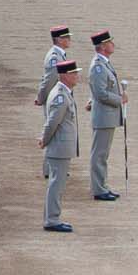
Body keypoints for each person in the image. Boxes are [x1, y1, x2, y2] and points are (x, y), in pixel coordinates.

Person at [40, 60, 80, 233]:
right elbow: (52, 123)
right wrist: (45, 140)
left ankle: (52, 217)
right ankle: (52, 219)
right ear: (64, 75)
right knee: (56, 184)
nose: (77, 76)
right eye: (74, 73)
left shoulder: (64, 92)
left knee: (57, 183)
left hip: (60, 147)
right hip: (58, 147)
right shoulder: (60, 95)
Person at [87, 30, 125, 201]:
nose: (113, 44)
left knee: (103, 154)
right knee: (99, 154)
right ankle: (98, 189)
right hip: (104, 116)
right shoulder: (98, 66)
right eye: (109, 42)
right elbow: (101, 93)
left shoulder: (104, 63)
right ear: (102, 46)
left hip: (107, 116)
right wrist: (120, 99)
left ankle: (102, 185)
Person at [36, 25, 71, 106]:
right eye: (67, 37)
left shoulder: (58, 54)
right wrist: (41, 98)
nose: (69, 39)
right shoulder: (55, 57)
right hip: (55, 100)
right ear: (59, 40)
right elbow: (50, 79)